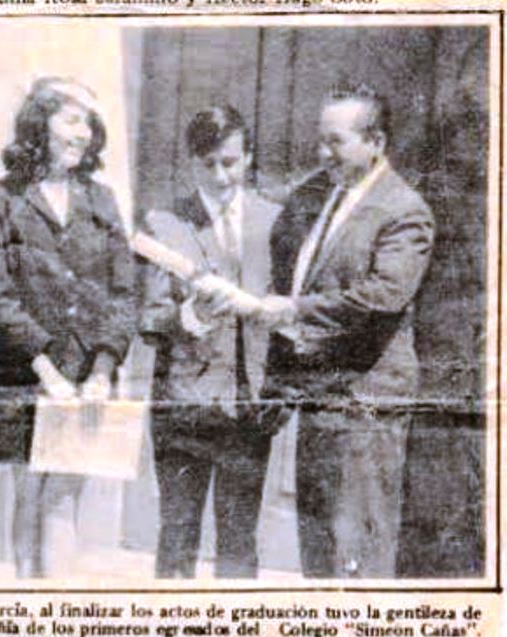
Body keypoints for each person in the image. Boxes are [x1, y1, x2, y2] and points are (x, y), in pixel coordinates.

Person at [0, 77, 136, 578]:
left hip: (86, 377)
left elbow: (123, 293)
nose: (84, 133)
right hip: (23, 373)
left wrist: (101, 370)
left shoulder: (102, 200)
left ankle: (55, 609)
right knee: (29, 494)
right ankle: (27, 602)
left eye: (89, 123)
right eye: (72, 120)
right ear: (40, 123)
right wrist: (45, 370)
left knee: (64, 499)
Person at [257, 83, 435, 578]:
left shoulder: (404, 210)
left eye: (335, 141)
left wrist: (293, 310)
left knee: (356, 554)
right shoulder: (318, 195)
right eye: (320, 140)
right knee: (318, 549)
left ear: (375, 141)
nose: (322, 153)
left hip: (365, 407)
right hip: (318, 401)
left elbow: (383, 295)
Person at [139, 106, 281, 578]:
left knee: (239, 541)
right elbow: (151, 316)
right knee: (177, 537)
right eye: (208, 164)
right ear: (191, 162)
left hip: (248, 406)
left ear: (249, 157)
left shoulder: (274, 220)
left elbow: (289, 308)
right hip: (184, 407)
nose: (221, 176)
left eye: (230, 162)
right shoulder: (164, 224)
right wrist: (190, 316)